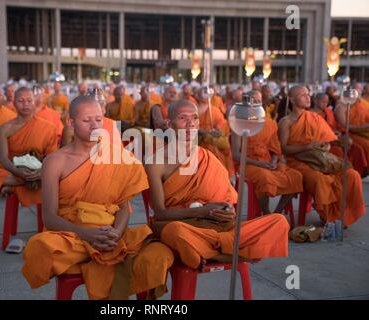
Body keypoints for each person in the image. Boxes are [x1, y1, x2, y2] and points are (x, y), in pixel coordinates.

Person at [22, 96, 174, 299]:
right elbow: (49, 217)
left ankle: (108, 252)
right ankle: (106, 255)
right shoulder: (55, 162)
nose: (95, 126)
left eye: (99, 119)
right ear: (71, 123)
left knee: (160, 252)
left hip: (109, 232)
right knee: (39, 248)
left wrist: (116, 235)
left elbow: (122, 207)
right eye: (86, 121)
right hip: (73, 235)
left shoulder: (116, 156)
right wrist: (87, 235)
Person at [144, 99, 289, 270]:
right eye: (183, 118)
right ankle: (234, 251)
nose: (190, 124)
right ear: (169, 123)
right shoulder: (156, 163)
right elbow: (160, 214)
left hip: (215, 227)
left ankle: (210, 251)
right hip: (184, 225)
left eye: (195, 118)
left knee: (279, 222)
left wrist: (227, 211)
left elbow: (226, 201)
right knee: (174, 232)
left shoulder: (208, 157)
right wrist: (202, 211)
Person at [278, 85, 366, 226]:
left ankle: (342, 215)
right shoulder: (286, 122)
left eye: (308, 94)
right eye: (302, 95)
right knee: (320, 181)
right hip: (298, 163)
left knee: (352, 175)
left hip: (320, 160)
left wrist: (326, 146)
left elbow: (328, 141)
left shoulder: (315, 118)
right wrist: (306, 147)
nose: (307, 97)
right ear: (292, 100)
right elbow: (283, 149)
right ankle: (329, 216)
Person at [0, 87, 58, 206]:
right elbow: (3, 158)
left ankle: (13, 186)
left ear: (34, 102)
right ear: (14, 103)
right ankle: (28, 183)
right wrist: (18, 171)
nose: (25, 104)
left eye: (29, 100)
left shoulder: (49, 127)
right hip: (14, 170)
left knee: (58, 175)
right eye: (21, 101)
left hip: (40, 170)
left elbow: (51, 158)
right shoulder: (5, 129)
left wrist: (41, 171)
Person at [231, 90, 303, 214]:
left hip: (267, 162)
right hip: (247, 164)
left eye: (258, 101)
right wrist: (259, 164)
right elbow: (236, 156)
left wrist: (274, 161)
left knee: (296, 176)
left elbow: (275, 149)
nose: (256, 104)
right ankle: (266, 212)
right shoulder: (238, 124)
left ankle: (277, 213)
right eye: (252, 101)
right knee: (264, 177)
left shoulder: (269, 124)